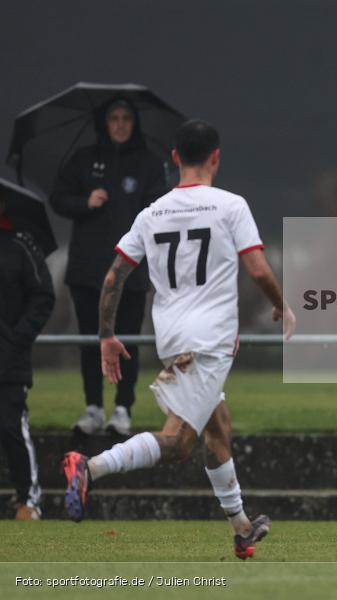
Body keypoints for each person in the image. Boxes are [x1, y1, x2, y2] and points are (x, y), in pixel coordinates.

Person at [60, 119, 296, 559]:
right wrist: (282, 305)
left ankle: (242, 528)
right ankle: (88, 468)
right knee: (179, 442)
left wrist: (107, 335)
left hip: (171, 337)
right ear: (215, 158)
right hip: (206, 343)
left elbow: (114, 276)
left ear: (174, 159)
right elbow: (259, 269)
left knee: (217, 426)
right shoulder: (230, 206)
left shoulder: (151, 213)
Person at [50, 97, 168, 437]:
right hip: (87, 270)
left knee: (128, 339)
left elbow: (160, 208)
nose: (119, 124)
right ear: (104, 122)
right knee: (92, 339)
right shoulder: (84, 160)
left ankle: (123, 409)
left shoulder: (149, 163)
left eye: (126, 118)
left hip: (131, 272)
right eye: (113, 117)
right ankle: (93, 409)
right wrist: (84, 202)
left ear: (134, 123)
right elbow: (58, 198)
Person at [0, 198, 55, 520]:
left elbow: (43, 296)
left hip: (10, 358)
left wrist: (17, 338)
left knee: (10, 426)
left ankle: (28, 500)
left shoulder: (21, 246)